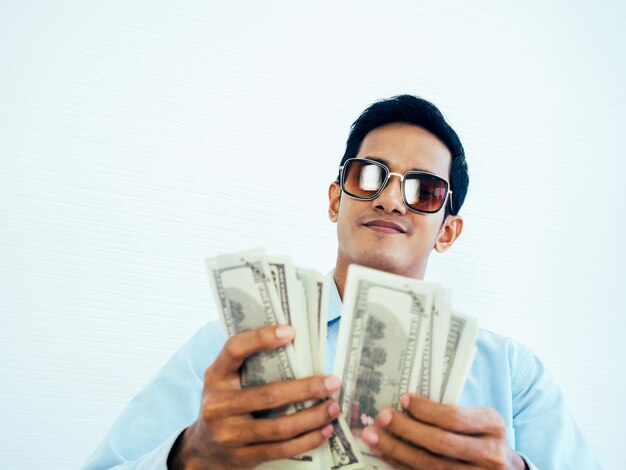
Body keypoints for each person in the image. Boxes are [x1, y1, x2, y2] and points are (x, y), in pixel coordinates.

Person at [84, 95, 599, 469]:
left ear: (448, 231)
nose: (391, 199)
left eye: (424, 189)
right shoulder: (230, 349)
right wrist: (189, 455)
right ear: (337, 199)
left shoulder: (513, 377)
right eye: (370, 175)